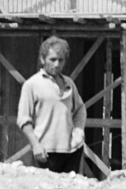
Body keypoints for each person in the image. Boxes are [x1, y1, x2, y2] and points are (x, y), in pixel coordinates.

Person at [17, 36, 88, 174]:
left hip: (72, 150)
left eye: (60, 60)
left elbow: (80, 108)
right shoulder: (32, 85)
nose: (56, 64)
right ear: (43, 60)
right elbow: (23, 120)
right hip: (46, 153)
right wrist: (35, 145)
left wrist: (79, 131)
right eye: (52, 60)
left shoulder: (69, 83)